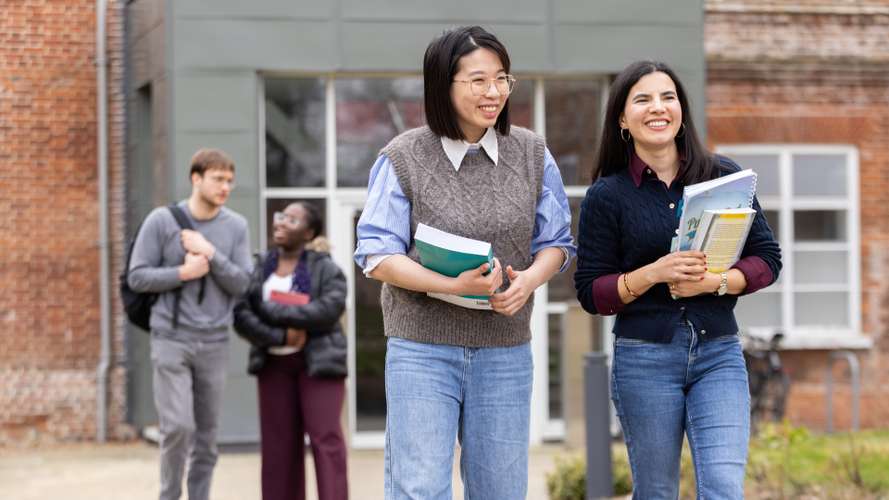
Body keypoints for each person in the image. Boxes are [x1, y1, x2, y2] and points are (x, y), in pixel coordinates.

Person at [354, 25, 575, 500]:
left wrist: (528, 282)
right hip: (422, 348)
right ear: (443, 84)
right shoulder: (403, 156)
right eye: (478, 80)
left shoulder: (532, 152)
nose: (493, 91)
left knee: (500, 489)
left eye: (502, 79)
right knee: (420, 489)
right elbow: (376, 254)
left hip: (505, 350)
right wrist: (450, 285)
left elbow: (557, 241)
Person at [574, 60, 782, 499]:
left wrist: (716, 282)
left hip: (718, 353)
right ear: (622, 119)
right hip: (644, 359)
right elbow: (591, 292)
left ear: (682, 110)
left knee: (724, 487)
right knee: (656, 491)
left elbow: (767, 258)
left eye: (668, 97)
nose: (658, 108)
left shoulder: (723, 175)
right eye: (643, 99)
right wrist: (652, 274)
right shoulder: (607, 196)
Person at [127, 148, 252, 500]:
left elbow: (243, 283)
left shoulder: (236, 226)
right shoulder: (161, 221)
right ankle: (169, 495)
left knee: (208, 437)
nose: (225, 186)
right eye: (218, 179)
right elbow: (137, 277)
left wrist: (211, 254)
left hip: (214, 341)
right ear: (195, 178)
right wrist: (183, 273)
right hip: (171, 337)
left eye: (229, 180)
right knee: (177, 427)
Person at [233, 201, 348, 500]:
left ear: (309, 232)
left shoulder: (326, 268)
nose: (282, 223)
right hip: (273, 365)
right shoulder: (259, 267)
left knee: (326, 440)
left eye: (293, 220)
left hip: (319, 362)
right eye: (281, 216)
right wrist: (281, 335)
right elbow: (243, 314)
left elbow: (328, 309)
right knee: (278, 447)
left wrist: (273, 310)